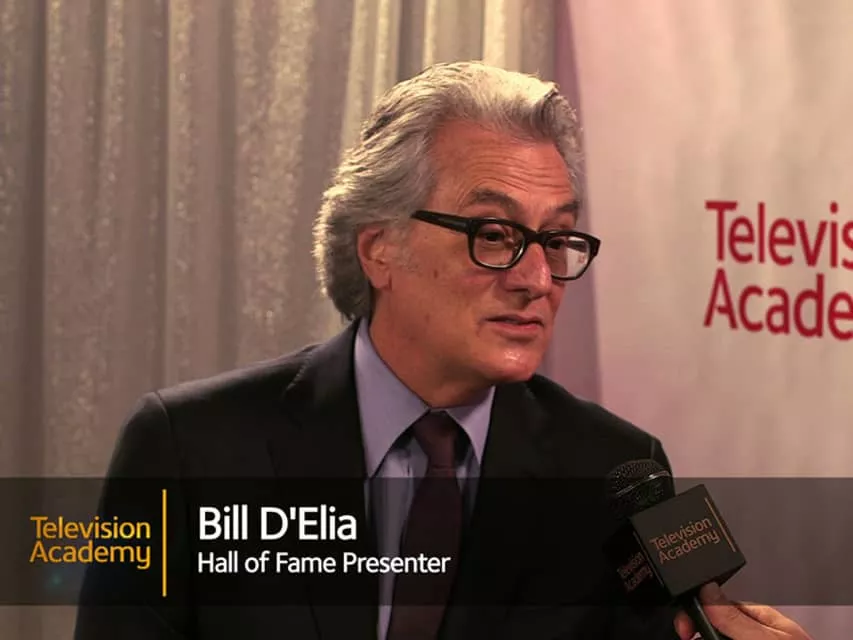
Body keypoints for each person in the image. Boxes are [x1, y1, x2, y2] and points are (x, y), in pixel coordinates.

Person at [74, 61, 811, 640]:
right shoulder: (187, 450)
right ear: (379, 250)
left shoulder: (616, 472)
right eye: (494, 234)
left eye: (556, 238)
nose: (536, 279)